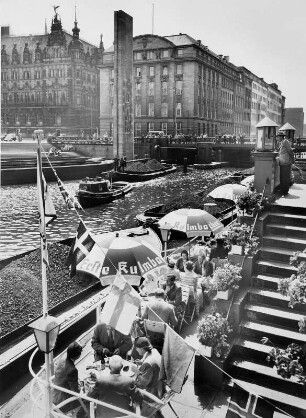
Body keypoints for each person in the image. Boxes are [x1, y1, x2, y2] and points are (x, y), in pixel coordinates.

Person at [52, 341, 86, 417]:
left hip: (55, 396)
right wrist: (82, 387)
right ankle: (83, 415)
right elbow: (75, 392)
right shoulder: (72, 370)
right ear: (77, 356)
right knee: (87, 398)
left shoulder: (63, 358)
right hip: (63, 403)